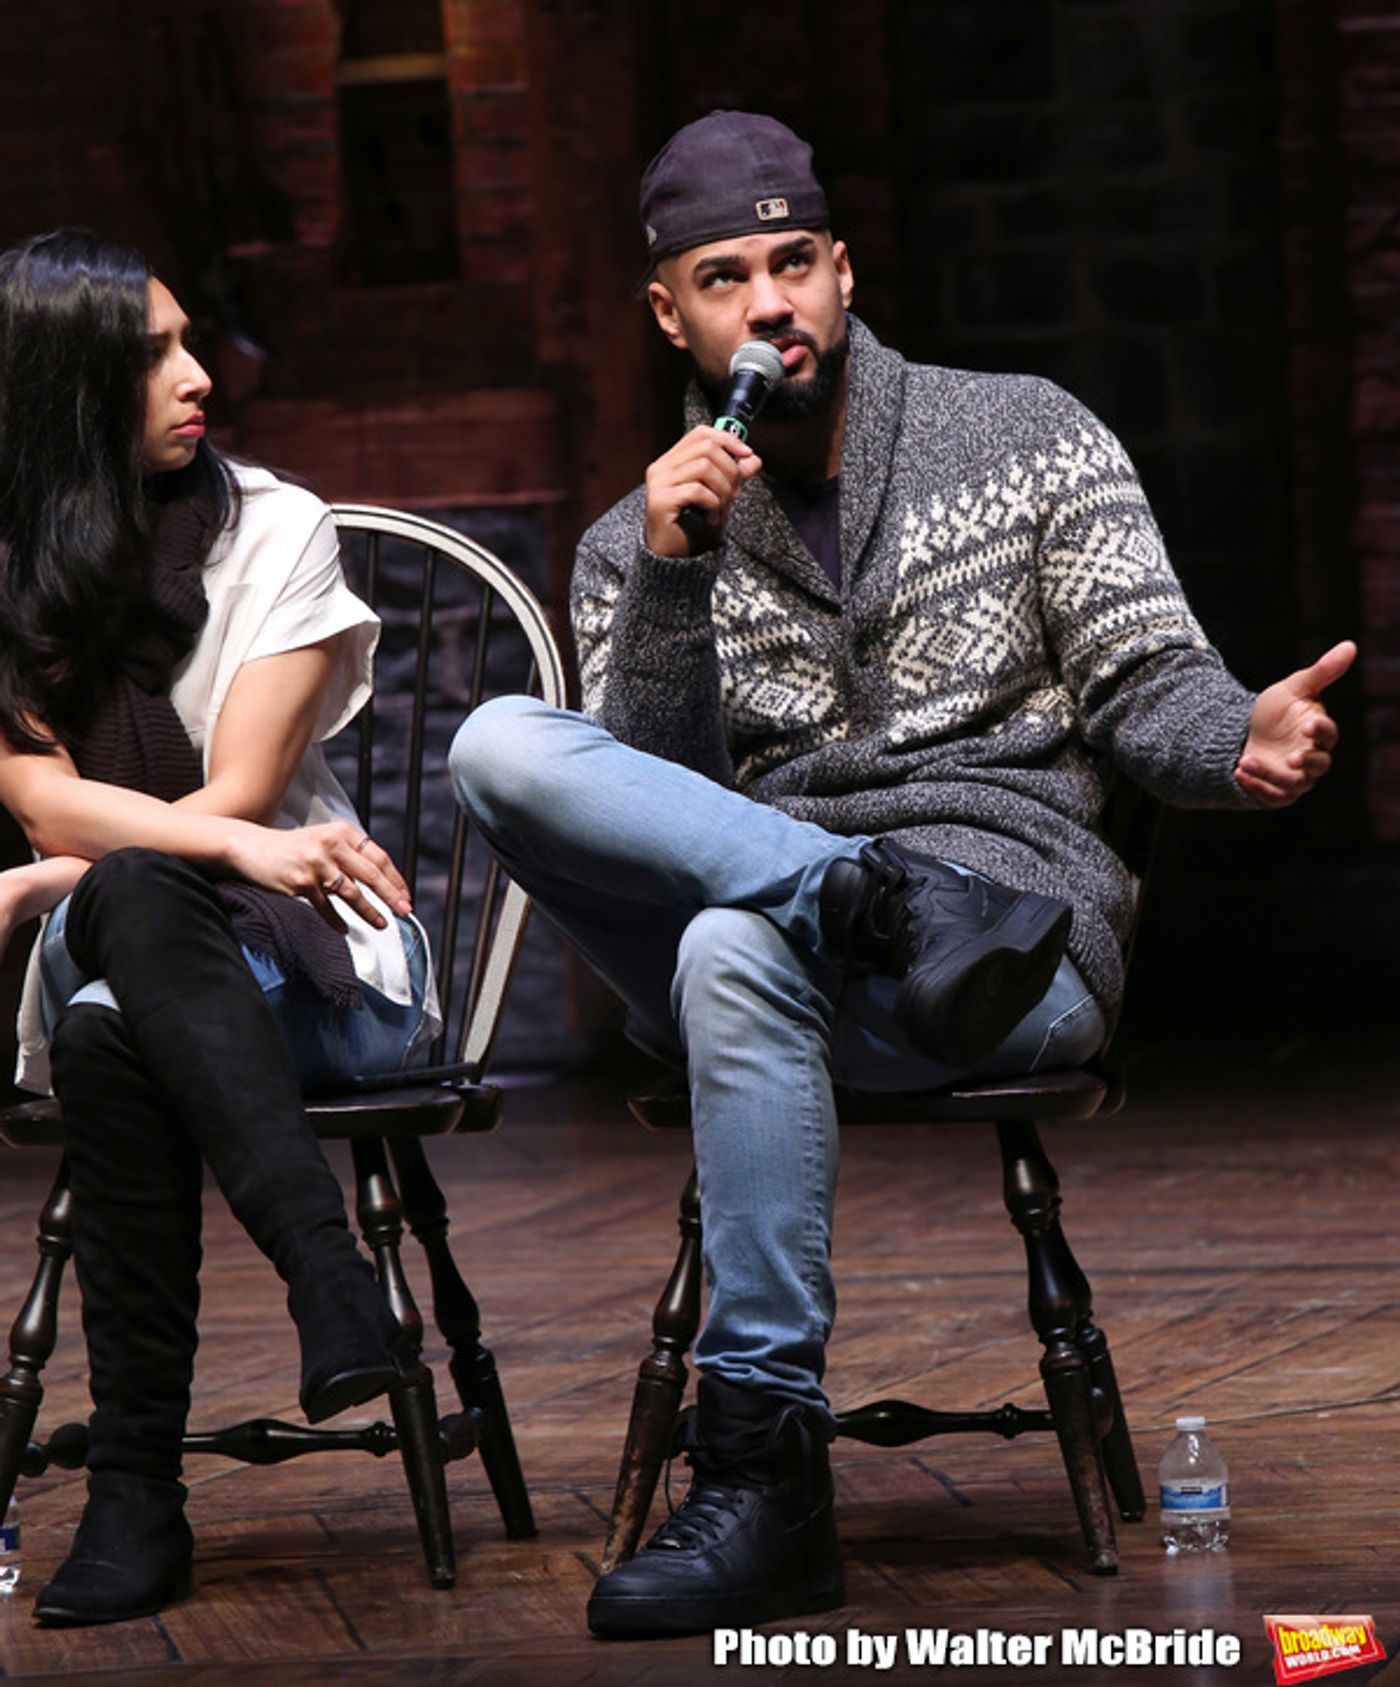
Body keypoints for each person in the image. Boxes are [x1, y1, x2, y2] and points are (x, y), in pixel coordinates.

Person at [448, 112, 1355, 1637]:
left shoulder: (1027, 434)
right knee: (500, 748)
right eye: (725, 278)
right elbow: (655, 805)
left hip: (1005, 941)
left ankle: (756, 1471)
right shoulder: (633, 540)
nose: (771, 304)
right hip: (789, 937)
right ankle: (856, 897)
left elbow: (1148, 678)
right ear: (670, 314)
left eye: (794, 261)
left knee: (731, 945)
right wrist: (672, 581)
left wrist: (1235, 742)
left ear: (845, 271)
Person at [0, 229, 437, 1626]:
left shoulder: (279, 529)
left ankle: (135, 1492)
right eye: (152, 357)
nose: (198, 376)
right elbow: (43, 799)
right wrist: (185, 852)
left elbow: (234, 799)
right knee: (130, 921)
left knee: (111, 1010)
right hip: (163, 933)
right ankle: (331, 1277)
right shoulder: (11, 569)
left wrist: (50, 884)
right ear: (64, 388)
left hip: (314, 957)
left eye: (190, 342)